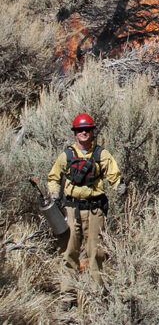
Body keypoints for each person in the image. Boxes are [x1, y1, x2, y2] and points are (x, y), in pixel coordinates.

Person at [47, 113, 125, 310]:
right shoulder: (67, 155)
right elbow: (53, 177)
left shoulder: (101, 155)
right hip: (72, 209)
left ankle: (96, 297)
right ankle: (67, 297)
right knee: (69, 253)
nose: (84, 133)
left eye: (87, 129)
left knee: (96, 253)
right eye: (80, 130)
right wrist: (55, 193)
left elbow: (114, 176)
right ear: (75, 133)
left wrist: (119, 186)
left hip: (94, 210)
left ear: (92, 132)